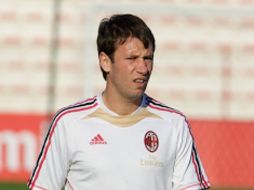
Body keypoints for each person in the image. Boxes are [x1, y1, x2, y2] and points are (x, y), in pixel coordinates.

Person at [27, 14, 210, 190]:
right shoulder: (68, 122)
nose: (143, 68)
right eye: (132, 58)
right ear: (105, 62)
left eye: (148, 58)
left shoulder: (174, 124)